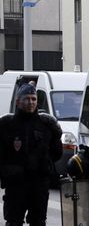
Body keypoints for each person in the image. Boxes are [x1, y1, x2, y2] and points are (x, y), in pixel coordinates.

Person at [0, 83, 63, 226]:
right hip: (15, 185)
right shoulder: (6, 125)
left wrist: (42, 162)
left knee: (38, 221)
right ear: (18, 102)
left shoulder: (46, 124)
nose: (31, 102)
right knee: (13, 221)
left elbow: (57, 153)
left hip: (39, 184)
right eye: (27, 99)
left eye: (34, 99)